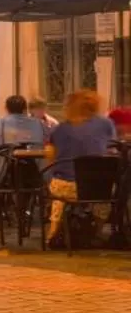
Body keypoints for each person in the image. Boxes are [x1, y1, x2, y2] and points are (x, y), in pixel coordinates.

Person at [44, 88, 116, 244]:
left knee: (57, 187)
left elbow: (50, 157)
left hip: (64, 187)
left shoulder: (59, 129)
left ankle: (54, 231)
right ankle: (95, 232)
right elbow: (112, 150)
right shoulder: (106, 124)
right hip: (96, 188)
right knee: (106, 196)